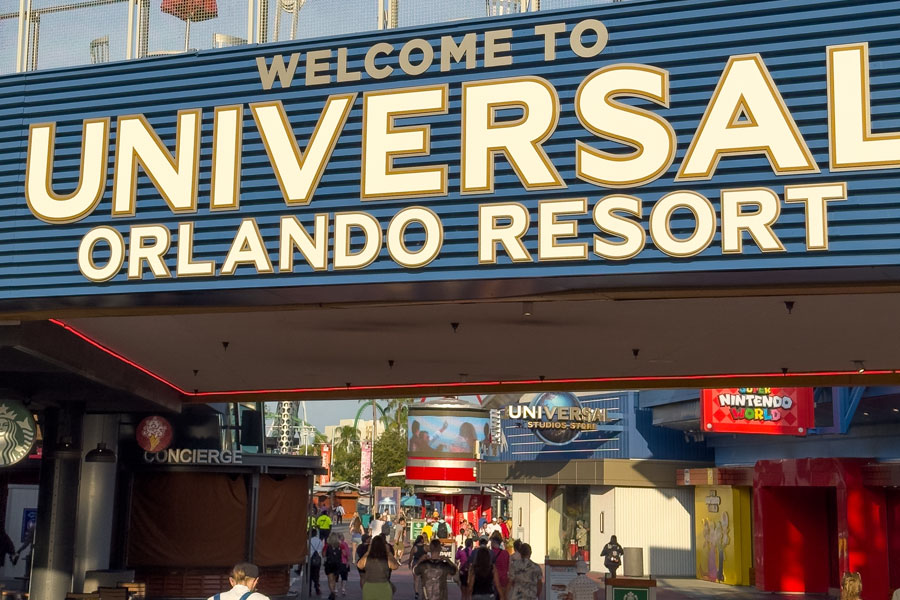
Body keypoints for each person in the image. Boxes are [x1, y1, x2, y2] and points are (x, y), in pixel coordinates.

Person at [357, 534, 400, 600]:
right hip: (384, 586)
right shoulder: (386, 558)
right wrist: (389, 552)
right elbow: (396, 566)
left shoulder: (367, 558)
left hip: (369, 586)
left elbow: (359, 565)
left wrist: (368, 551)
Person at [490, 532, 510, 598]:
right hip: (504, 579)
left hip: (493, 580)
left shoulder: (490, 553)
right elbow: (508, 566)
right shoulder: (506, 553)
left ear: (492, 542)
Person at [324, 533, 343, 600]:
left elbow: (323, 554)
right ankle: (333, 592)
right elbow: (344, 553)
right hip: (337, 564)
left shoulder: (327, 546)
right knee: (334, 579)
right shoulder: (340, 546)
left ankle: (332, 592)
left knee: (330, 579)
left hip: (329, 564)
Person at [309, 527, 324, 597]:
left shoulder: (308, 541)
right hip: (318, 559)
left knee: (309, 575)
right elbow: (321, 549)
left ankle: (309, 590)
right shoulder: (319, 541)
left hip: (310, 559)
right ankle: (317, 588)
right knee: (316, 574)